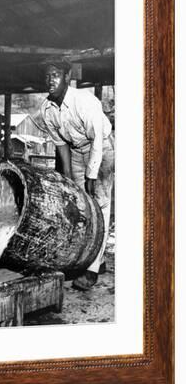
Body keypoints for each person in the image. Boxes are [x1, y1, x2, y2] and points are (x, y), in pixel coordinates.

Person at [40, 58, 115, 290]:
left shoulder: (84, 101)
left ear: (66, 77)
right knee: (81, 205)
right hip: (75, 150)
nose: (50, 80)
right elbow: (61, 145)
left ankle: (91, 271)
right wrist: (70, 179)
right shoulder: (47, 109)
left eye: (55, 75)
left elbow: (96, 141)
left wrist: (92, 174)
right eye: (47, 75)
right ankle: (96, 259)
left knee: (99, 205)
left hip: (101, 148)